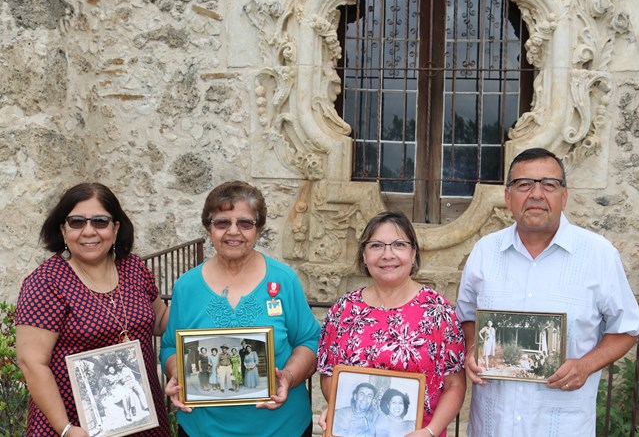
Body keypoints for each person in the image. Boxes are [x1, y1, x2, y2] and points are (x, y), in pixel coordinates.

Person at [456, 147, 639, 436]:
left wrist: (585, 365)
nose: (536, 194)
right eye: (524, 184)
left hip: (562, 427)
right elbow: (468, 316)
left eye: (549, 185)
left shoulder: (598, 254)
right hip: (493, 426)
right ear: (508, 197)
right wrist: (472, 349)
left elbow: (628, 329)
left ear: (564, 196)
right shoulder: (484, 251)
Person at [161, 180, 321, 437]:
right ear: (208, 228)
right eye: (222, 222)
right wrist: (179, 374)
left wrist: (288, 377)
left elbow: (309, 340)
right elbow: (170, 346)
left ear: (258, 230)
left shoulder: (284, 280)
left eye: (245, 223)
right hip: (204, 429)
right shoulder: (186, 287)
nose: (233, 231)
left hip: (281, 428)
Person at [15, 182, 169, 437]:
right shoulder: (46, 282)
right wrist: (65, 429)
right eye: (76, 222)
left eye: (100, 221)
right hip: (77, 426)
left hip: (140, 419)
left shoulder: (133, 268)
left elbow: (161, 320)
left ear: (116, 228)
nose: (88, 231)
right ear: (63, 229)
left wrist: (208, 302)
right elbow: (31, 362)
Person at [318, 210, 467, 437]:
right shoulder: (343, 311)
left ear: (413, 253)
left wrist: (429, 431)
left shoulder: (439, 312)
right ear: (364, 256)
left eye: (399, 244)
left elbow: (454, 385)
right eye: (376, 246)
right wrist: (340, 412)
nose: (388, 255)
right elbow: (329, 375)